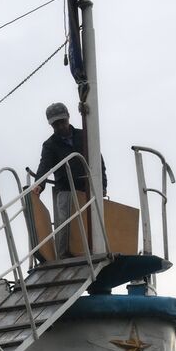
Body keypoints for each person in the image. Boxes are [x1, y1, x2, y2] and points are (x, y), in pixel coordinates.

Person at [36, 102, 106, 259]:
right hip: (66, 189)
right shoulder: (50, 145)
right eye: (56, 124)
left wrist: (103, 186)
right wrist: (38, 185)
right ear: (51, 125)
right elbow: (44, 166)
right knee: (64, 221)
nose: (60, 126)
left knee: (94, 219)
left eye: (62, 121)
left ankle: (94, 249)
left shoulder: (84, 135)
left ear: (68, 117)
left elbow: (99, 162)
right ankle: (63, 255)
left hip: (87, 189)